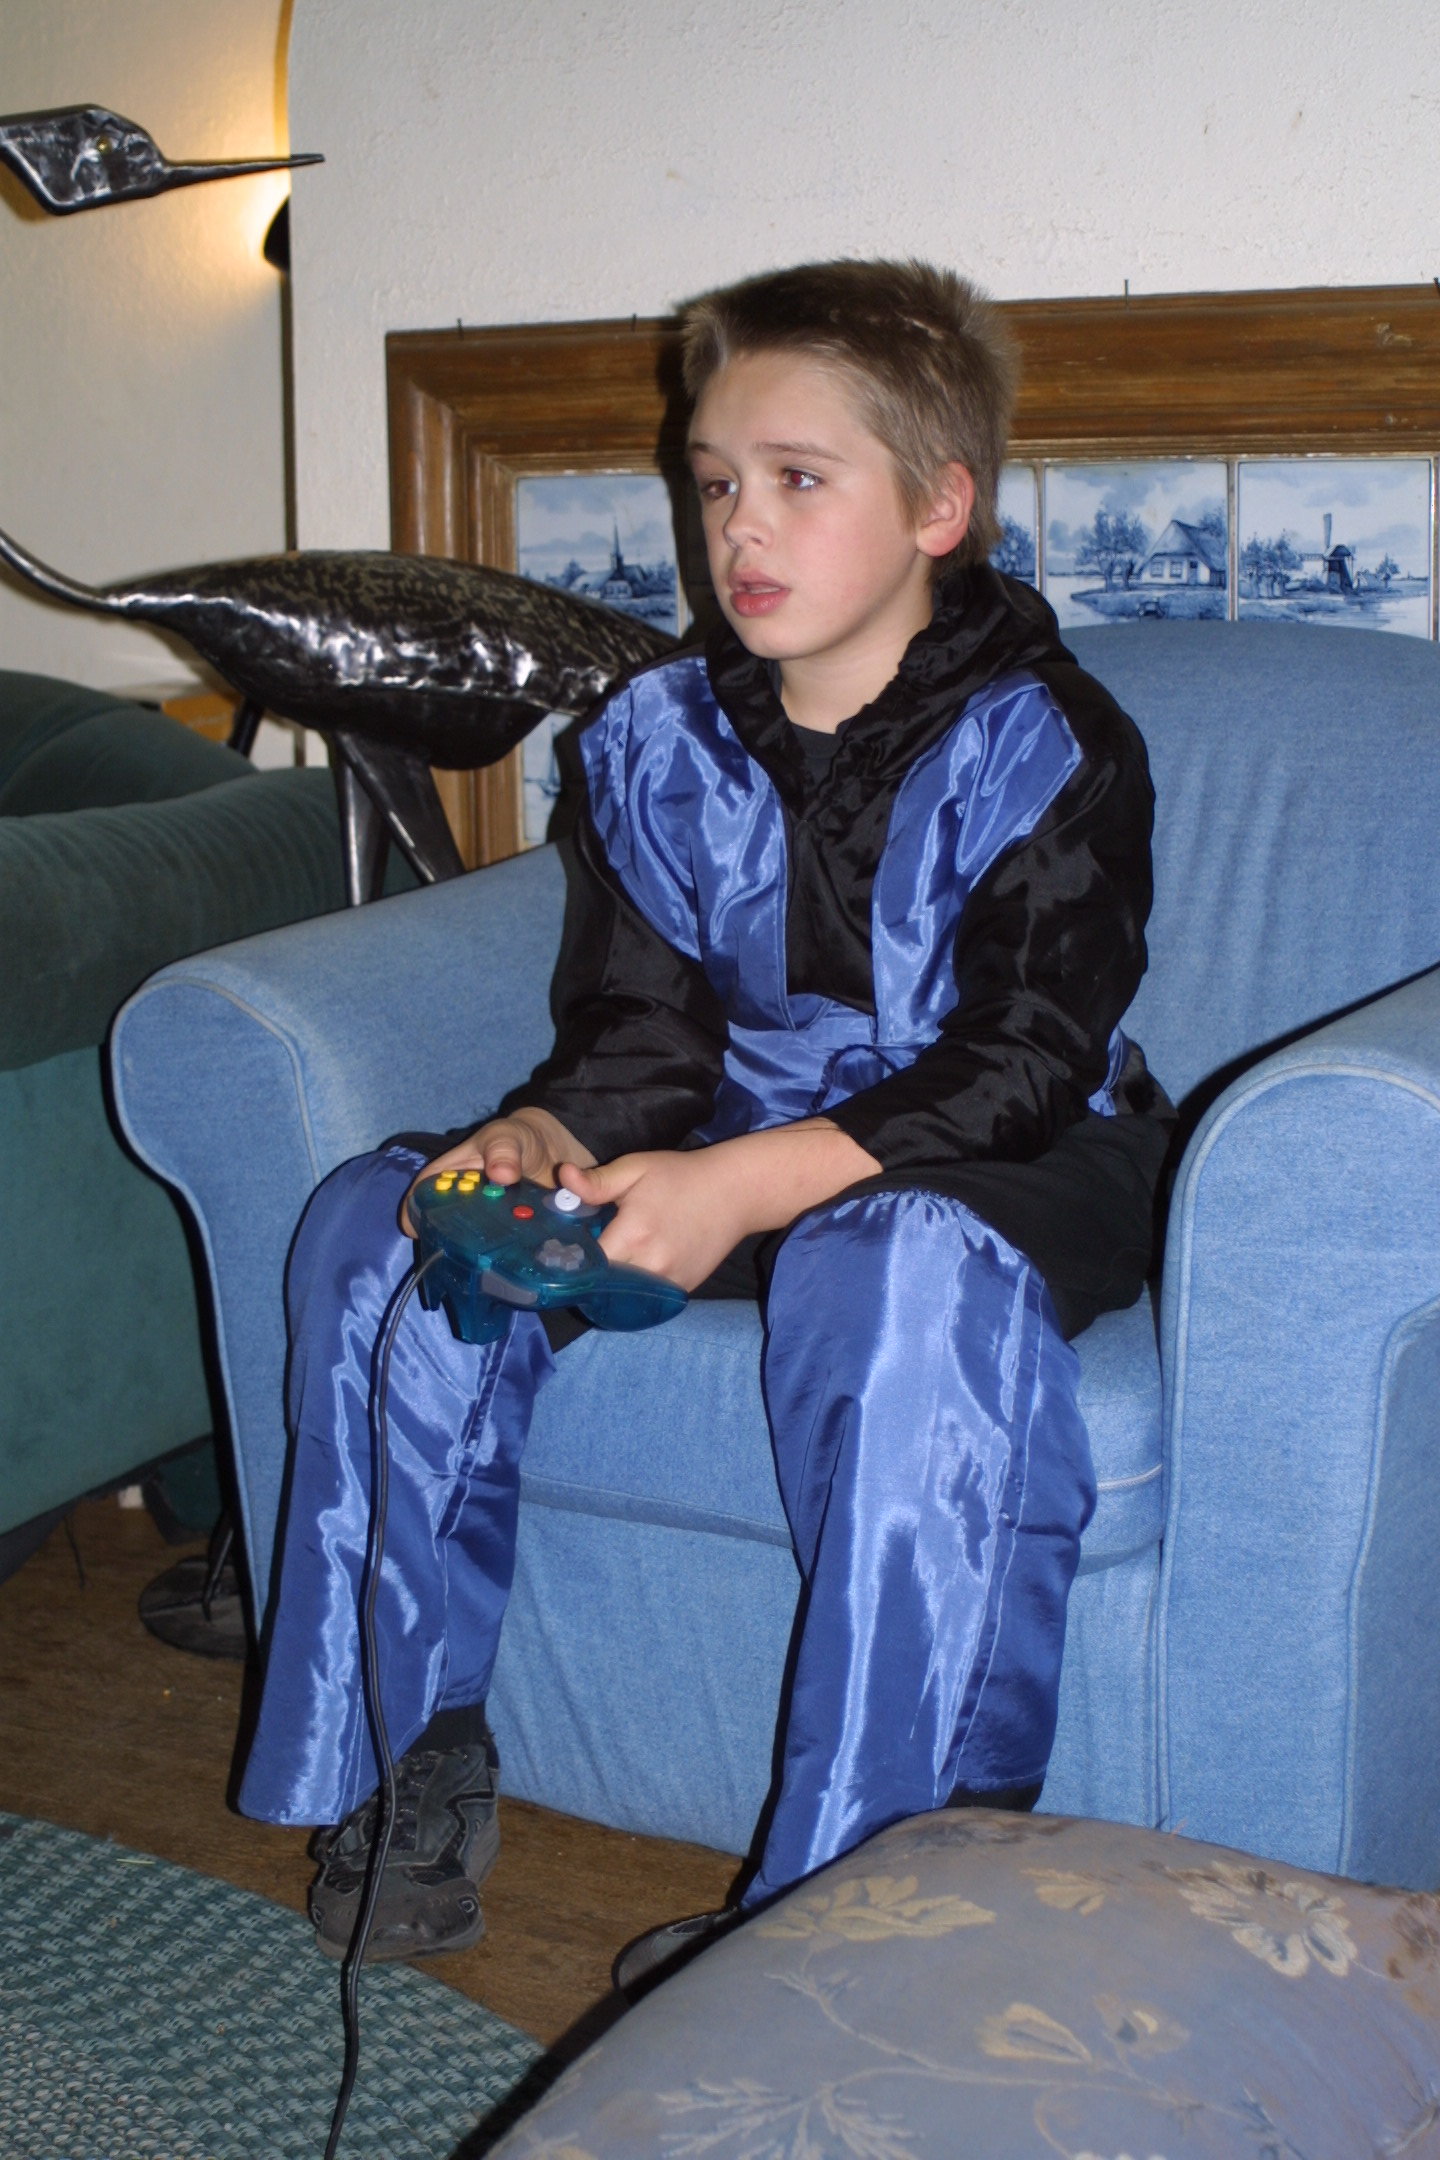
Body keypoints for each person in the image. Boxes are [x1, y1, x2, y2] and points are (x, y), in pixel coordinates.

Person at [237, 258, 1173, 1988]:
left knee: (891, 1269)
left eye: (800, 479)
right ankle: (409, 1740)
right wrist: (544, 1131)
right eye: (718, 480)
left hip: (1001, 1163)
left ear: (940, 506)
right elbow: (640, 1034)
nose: (739, 524)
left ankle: (865, 1888)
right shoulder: (655, 740)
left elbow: (1030, 1052)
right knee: (391, 1219)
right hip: (724, 1144)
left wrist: (750, 1183)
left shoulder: (1049, 738)